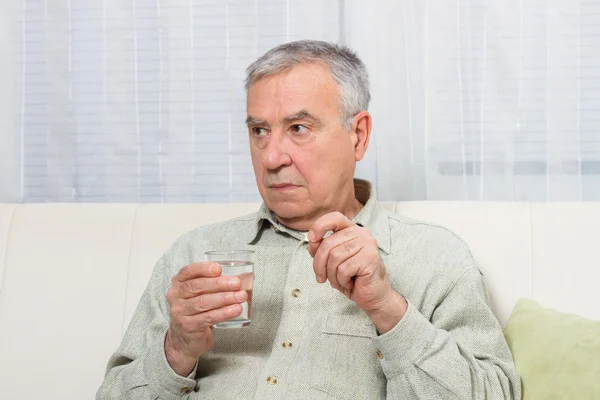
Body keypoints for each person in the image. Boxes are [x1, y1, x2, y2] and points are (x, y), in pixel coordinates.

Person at [97, 40, 521, 400]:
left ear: (359, 135)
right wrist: (176, 351)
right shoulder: (194, 255)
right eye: (259, 131)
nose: (272, 156)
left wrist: (388, 310)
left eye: (298, 128)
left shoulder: (433, 257)